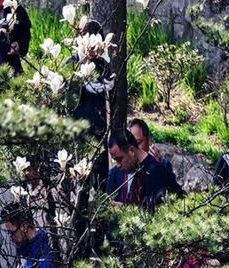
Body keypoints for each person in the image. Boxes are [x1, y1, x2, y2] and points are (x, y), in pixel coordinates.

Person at [72, 20, 115, 191]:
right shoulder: (72, 63)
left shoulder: (103, 66)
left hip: (97, 131)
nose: (90, 49)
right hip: (76, 131)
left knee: (98, 177)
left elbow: (111, 99)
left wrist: (108, 88)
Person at [106, 127, 169, 211]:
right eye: (115, 160)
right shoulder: (118, 172)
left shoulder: (155, 172)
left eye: (120, 159)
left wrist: (125, 210)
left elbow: (157, 212)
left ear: (131, 151)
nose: (118, 165)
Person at [128, 118, 185, 197]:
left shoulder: (162, 164)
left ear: (148, 139)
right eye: (131, 145)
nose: (135, 149)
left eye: (138, 143)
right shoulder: (118, 171)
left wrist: (158, 167)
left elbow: (174, 194)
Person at [1, 202, 54, 268]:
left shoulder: (44, 263)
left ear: (24, 226)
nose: (11, 238)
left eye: (12, 233)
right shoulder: (25, 253)